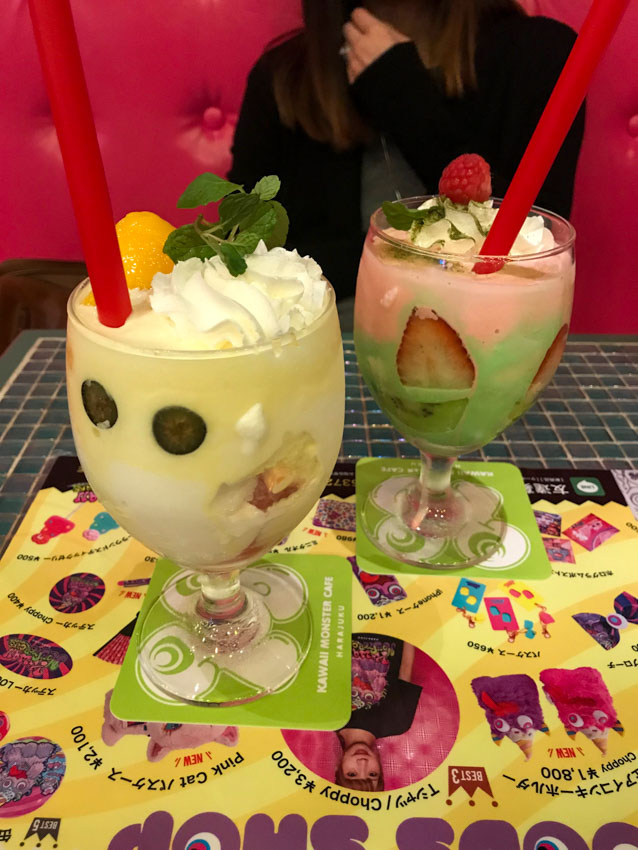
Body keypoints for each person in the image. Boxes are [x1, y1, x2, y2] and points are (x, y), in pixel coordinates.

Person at [228, 0, 584, 313]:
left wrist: (403, 95)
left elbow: (536, 248)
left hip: (489, 341)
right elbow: (243, 250)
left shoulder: (538, 56)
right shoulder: (283, 79)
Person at [334, 633, 422, 791]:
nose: (363, 763)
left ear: (339, 769)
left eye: (352, 774)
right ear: (381, 769)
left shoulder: (326, 719)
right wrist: (408, 628)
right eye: (373, 773)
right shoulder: (398, 723)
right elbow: (406, 667)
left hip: (347, 625)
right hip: (390, 628)